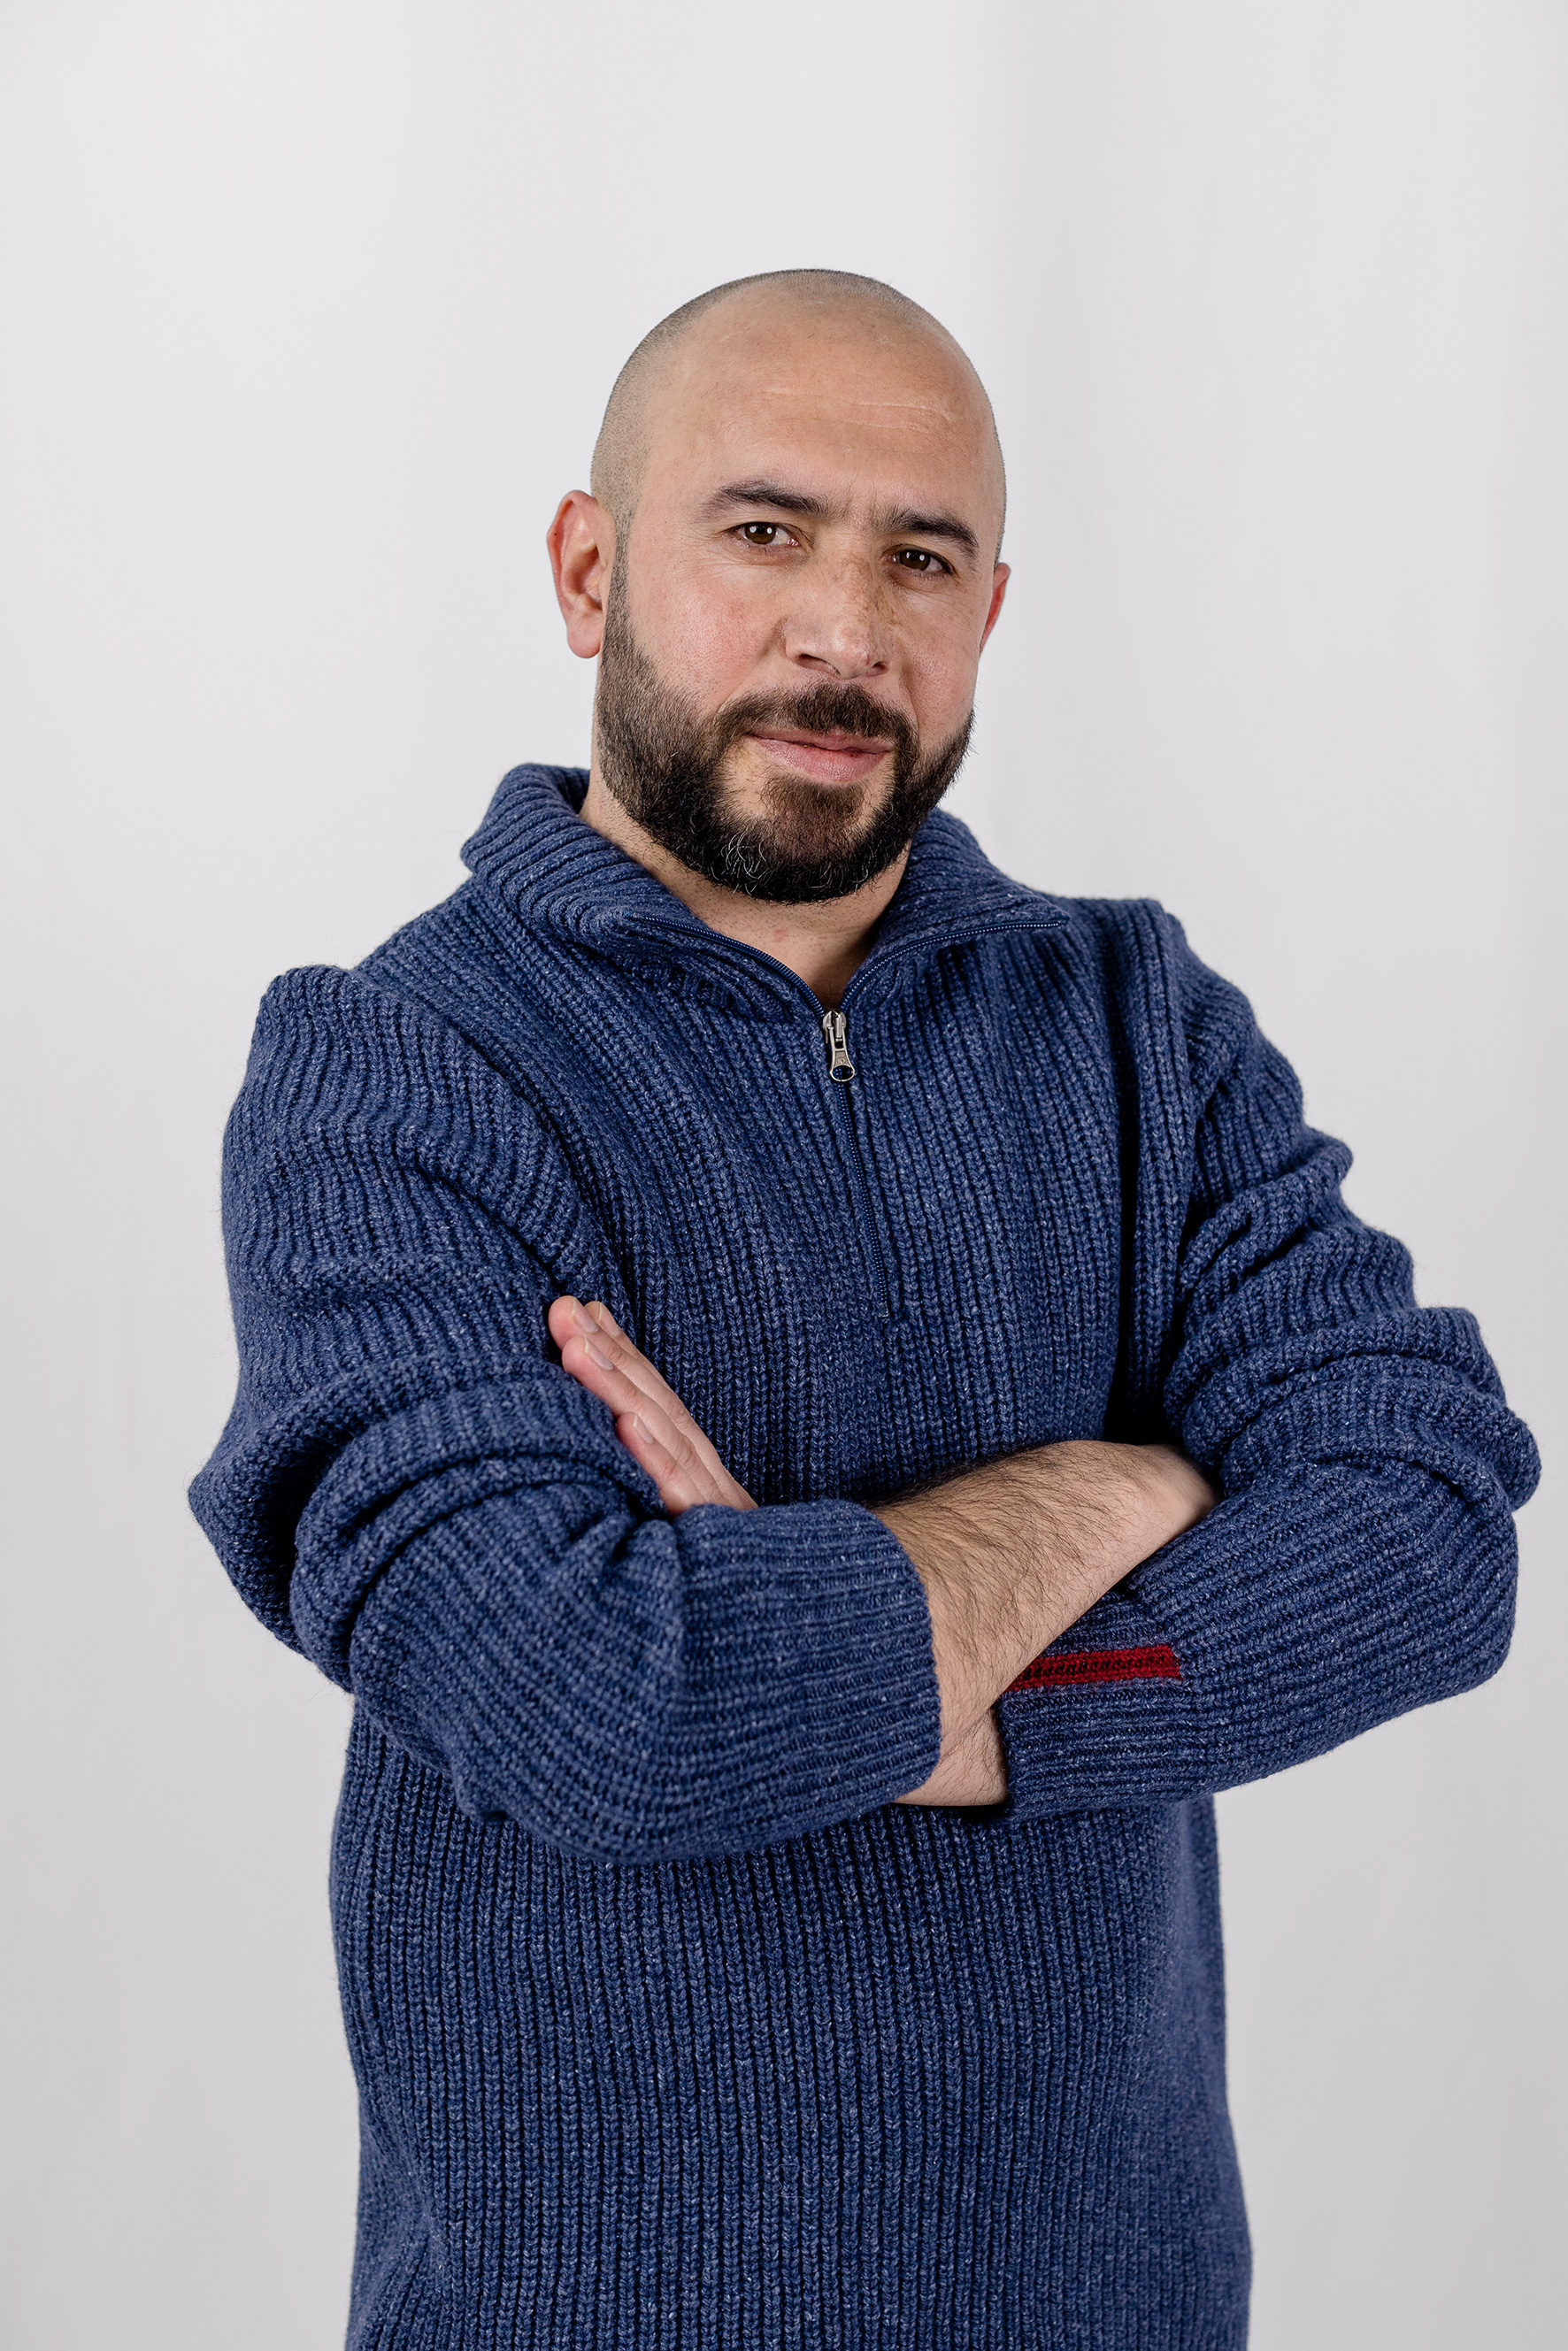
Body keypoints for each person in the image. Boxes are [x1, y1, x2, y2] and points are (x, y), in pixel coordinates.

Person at [190, 269, 1538, 2350]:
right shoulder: (394, 1071)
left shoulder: (1136, 1024)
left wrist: (881, 1688)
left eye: (919, 557)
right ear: (587, 571)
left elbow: (1429, 1530)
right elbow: (608, 1713)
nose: (845, 626)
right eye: (764, 529)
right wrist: (1125, 1484)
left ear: (989, 610)